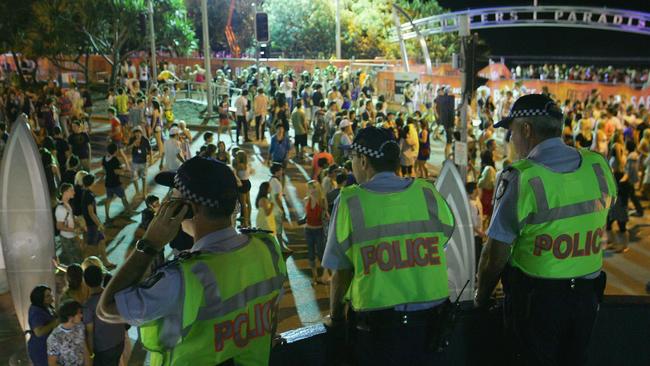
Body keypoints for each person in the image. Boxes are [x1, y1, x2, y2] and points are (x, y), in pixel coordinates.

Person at [97, 156, 287, 366]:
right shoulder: (268, 247)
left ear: (188, 208)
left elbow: (106, 309)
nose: (168, 200)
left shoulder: (181, 279)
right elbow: (271, 316)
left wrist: (149, 243)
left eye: (173, 195)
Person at [474, 94, 614, 365]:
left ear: (526, 129)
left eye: (511, 131)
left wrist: (481, 298)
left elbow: (494, 255)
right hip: (587, 302)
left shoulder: (521, 177)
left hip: (537, 306)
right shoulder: (597, 166)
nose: (511, 139)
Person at [322, 126, 455, 365]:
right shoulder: (426, 192)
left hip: (378, 332)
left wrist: (336, 318)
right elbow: (443, 238)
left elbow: (340, 272)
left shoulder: (350, 201)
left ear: (363, 161)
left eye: (352, 158)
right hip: (432, 326)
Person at [83, 265, 125, 366]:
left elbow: (90, 333)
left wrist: (91, 354)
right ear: (102, 277)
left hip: (103, 349)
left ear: (85, 282)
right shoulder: (114, 294)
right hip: (119, 341)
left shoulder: (88, 306)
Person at [80, 174, 116, 269]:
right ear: (92, 183)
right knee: (90, 247)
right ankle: (86, 265)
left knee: (101, 241)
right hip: (92, 224)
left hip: (91, 223)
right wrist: (99, 224)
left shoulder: (85, 192)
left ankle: (105, 262)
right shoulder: (89, 196)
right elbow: (91, 213)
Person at [47, 300, 91, 366]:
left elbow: (85, 349)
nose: (81, 315)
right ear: (70, 317)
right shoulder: (54, 338)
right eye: (79, 313)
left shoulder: (80, 326)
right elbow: (52, 363)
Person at [304, 180, 329, 284]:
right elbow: (307, 215)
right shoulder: (306, 200)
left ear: (318, 188)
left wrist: (326, 215)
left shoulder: (322, 200)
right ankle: (314, 277)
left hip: (319, 230)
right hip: (308, 230)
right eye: (310, 188)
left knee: (321, 254)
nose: (312, 190)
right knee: (311, 254)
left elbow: (326, 215)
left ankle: (325, 274)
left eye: (314, 187)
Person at [27, 285, 58, 366]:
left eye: (50, 294)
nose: (51, 297)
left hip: (49, 346)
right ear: (41, 299)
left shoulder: (47, 306)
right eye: (48, 296)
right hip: (40, 348)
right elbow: (38, 332)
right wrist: (54, 323)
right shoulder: (36, 312)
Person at [102, 143, 132, 222]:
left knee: (108, 199)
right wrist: (125, 171)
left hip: (108, 182)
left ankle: (107, 216)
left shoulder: (104, 158)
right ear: (115, 151)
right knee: (123, 197)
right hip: (115, 183)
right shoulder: (115, 160)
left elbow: (104, 170)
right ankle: (129, 212)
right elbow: (117, 172)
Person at [56, 183, 83, 265]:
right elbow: (59, 226)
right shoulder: (61, 208)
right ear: (65, 192)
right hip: (67, 238)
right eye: (71, 190)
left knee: (77, 258)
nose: (74, 192)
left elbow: (68, 217)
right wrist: (74, 230)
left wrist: (76, 219)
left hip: (71, 236)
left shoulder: (67, 204)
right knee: (74, 261)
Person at [128, 126, 152, 198]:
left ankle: (144, 193)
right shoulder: (132, 139)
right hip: (135, 162)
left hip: (144, 162)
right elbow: (127, 148)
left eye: (139, 132)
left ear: (141, 133)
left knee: (144, 178)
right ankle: (137, 191)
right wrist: (133, 144)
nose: (137, 134)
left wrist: (151, 159)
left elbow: (150, 150)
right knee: (134, 177)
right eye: (136, 132)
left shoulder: (145, 140)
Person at [234, 149, 252, 227]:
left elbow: (235, 175)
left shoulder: (239, 165)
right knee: (248, 202)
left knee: (243, 204)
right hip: (247, 182)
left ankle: (245, 223)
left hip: (242, 184)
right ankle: (248, 220)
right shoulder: (247, 164)